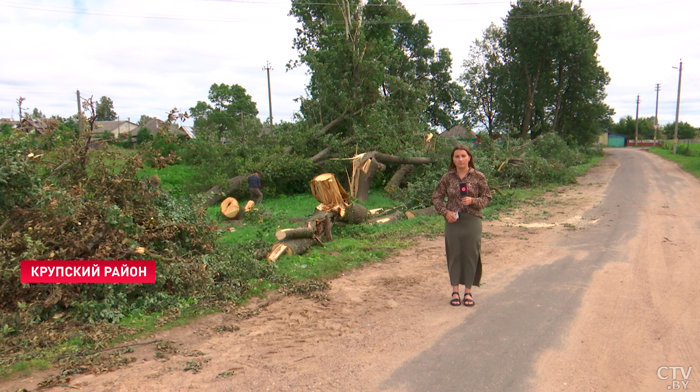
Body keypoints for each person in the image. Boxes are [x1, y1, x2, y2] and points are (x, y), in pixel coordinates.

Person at [432, 144, 492, 307]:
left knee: (470, 254)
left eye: (463, 156)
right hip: (454, 221)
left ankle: (468, 292)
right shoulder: (447, 177)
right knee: (454, 254)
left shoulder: (478, 177)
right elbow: (436, 197)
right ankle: (455, 291)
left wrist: (474, 201)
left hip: (472, 220)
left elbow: (487, 197)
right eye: (457, 156)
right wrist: (445, 212)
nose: (460, 159)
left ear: (469, 157)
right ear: (453, 159)